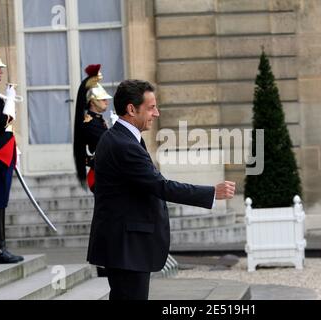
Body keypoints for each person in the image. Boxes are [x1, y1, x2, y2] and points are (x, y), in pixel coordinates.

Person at [87, 80, 236, 300]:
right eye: (151, 107)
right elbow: (161, 186)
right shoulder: (124, 144)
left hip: (123, 245)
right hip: (126, 247)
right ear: (131, 109)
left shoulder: (120, 137)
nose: (156, 113)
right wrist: (212, 192)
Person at [0, 30, 24, 264]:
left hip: (2, 151)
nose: (1, 70)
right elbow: (1, 123)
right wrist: (9, 99)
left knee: (1, 200)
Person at [73, 64, 115, 193]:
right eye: (102, 99)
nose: (106, 102)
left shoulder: (98, 119)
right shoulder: (89, 123)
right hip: (100, 174)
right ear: (92, 101)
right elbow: (105, 144)